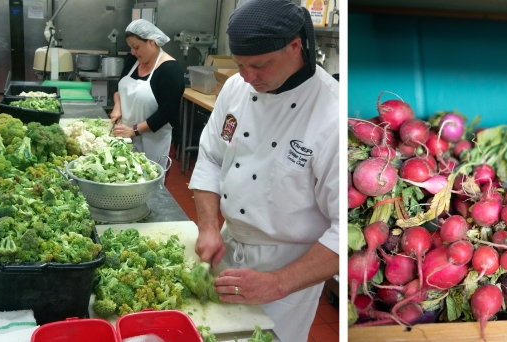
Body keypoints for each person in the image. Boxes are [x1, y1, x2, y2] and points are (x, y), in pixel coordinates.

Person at [187, 1, 339, 341]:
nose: (247, 77)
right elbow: (211, 157)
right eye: (240, 65)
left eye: (259, 65)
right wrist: (210, 226)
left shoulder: (331, 114)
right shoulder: (236, 88)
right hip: (227, 249)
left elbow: (345, 231)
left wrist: (278, 282)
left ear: (295, 46)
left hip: (288, 271)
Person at [110, 19, 184, 166]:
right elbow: (119, 88)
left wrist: (134, 130)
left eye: (136, 47)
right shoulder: (133, 61)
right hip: (126, 137)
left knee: (149, 181)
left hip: (155, 142)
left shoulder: (170, 70)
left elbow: (166, 112)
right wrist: (117, 106)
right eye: (131, 47)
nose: (133, 52)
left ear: (151, 42)